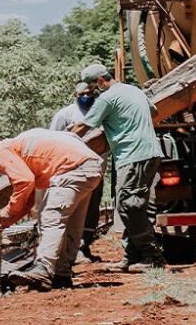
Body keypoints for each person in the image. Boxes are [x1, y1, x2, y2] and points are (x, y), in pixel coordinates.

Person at [0, 129, 103, 291]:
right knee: (72, 223)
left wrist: (8, 211)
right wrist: (8, 221)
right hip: (89, 166)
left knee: (50, 217)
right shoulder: (16, 147)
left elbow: (24, 181)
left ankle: (44, 268)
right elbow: (28, 195)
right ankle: (61, 274)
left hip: (72, 168)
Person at [71, 64, 165, 271]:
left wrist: (61, 139)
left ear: (101, 81)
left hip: (133, 155)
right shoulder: (133, 90)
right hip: (149, 152)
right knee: (133, 205)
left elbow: (83, 127)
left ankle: (152, 255)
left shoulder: (106, 98)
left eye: (94, 87)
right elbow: (154, 112)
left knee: (127, 205)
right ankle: (131, 257)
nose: (93, 92)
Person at [49, 82, 105, 263]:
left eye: (90, 93)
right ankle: (70, 249)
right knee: (73, 210)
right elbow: (52, 140)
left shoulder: (100, 112)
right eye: (83, 93)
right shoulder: (65, 115)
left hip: (96, 171)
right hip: (72, 172)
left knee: (92, 212)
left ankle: (84, 246)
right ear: (75, 94)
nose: (86, 96)